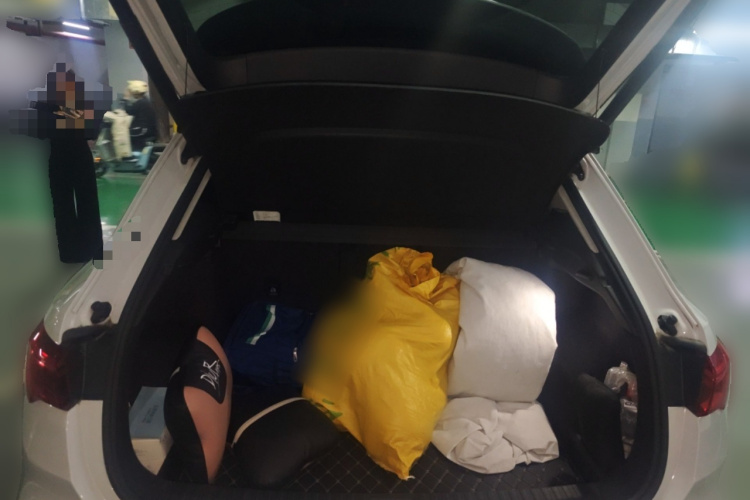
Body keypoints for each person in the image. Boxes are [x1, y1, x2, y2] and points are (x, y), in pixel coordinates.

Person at [26, 64, 111, 263]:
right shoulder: (85, 103)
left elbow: (40, 132)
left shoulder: (42, 105)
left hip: (58, 155)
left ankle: (70, 252)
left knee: (62, 204)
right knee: (88, 201)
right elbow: (91, 131)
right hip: (80, 154)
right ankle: (94, 248)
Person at [122, 80, 157, 152]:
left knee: (124, 135)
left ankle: (133, 154)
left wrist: (126, 98)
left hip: (143, 130)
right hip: (148, 130)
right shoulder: (145, 100)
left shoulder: (141, 102)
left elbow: (129, 111)